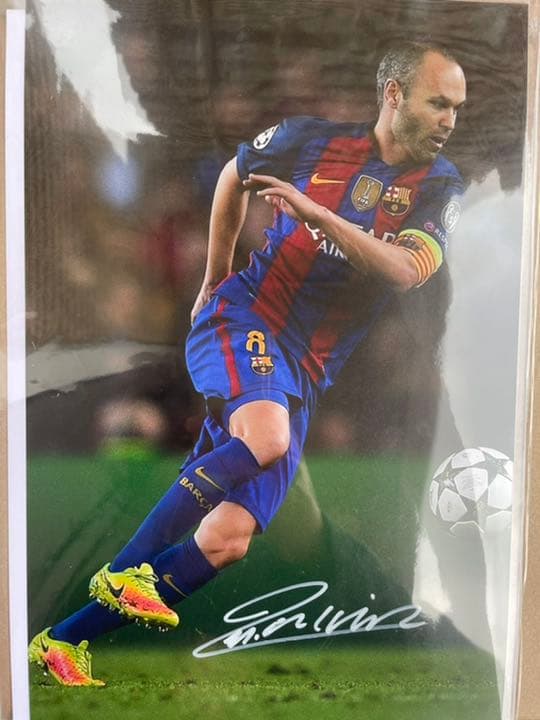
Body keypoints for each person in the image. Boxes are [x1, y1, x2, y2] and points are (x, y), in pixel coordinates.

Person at [28, 41, 467, 686]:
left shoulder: (440, 186)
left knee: (226, 539)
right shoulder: (310, 140)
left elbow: (404, 269)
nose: (449, 119)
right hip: (248, 318)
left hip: (303, 375)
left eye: (456, 107)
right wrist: (215, 274)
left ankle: (63, 641)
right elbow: (235, 174)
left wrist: (317, 215)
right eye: (438, 103)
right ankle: (125, 570)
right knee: (267, 438)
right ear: (394, 95)